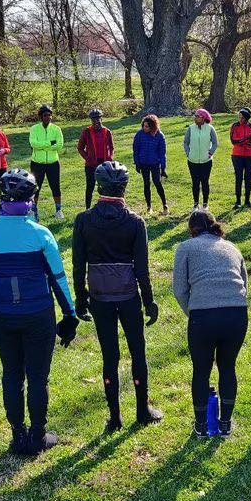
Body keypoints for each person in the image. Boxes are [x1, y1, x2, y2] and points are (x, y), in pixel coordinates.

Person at [0, 169, 78, 456]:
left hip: (1, 314)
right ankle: (38, 435)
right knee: (38, 377)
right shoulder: (41, 234)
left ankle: (18, 435)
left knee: (11, 375)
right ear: (30, 200)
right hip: (37, 313)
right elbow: (58, 279)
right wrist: (70, 315)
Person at [72, 161, 162, 431]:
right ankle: (142, 410)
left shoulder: (84, 220)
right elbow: (142, 269)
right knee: (137, 352)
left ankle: (115, 417)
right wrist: (149, 301)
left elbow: (78, 265)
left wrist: (80, 299)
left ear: (99, 187)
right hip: (128, 296)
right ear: (124, 188)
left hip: (100, 297)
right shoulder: (135, 222)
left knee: (109, 356)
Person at [172, 210, 248, 436]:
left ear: (191, 230)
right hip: (236, 314)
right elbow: (244, 284)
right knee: (228, 367)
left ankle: (201, 425)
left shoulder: (185, 248)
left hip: (203, 317)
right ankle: (225, 424)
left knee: (201, 371)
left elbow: (179, 290)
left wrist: (193, 311)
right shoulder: (232, 247)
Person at [29, 104, 65, 220]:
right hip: (37, 163)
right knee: (35, 187)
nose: (48, 117)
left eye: (50, 115)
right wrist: (50, 143)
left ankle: (58, 210)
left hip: (53, 163)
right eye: (45, 115)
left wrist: (42, 145)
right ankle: (34, 210)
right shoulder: (34, 129)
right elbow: (33, 144)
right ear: (41, 117)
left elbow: (59, 145)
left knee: (55, 187)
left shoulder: (56, 129)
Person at [78, 108, 115, 209]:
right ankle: (87, 208)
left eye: (98, 119)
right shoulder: (86, 132)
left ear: (101, 119)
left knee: (105, 188)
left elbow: (111, 147)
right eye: (93, 120)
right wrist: (87, 158)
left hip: (104, 165)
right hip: (91, 165)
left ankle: (105, 208)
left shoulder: (107, 132)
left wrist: (110, 158)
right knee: (90, 187)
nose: (96, 122)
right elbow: (80, 147)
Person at [184, 108, 218, 211]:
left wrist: (210, 153)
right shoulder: (190, 128)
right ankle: (195, 204)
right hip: (192, 161)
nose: (195, 118)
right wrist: (188, 153)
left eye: (197, 116)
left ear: (203, 118)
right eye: (195, 116)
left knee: (205, 182)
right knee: (195, 183)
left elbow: (215, 143)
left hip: (206, 161)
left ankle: (205, 204)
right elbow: (186, 142)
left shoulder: (210, 128)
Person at [132, 114, 167, 214]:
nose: (145, 128)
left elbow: (162, 153)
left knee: (157, 183)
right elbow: (135, 149)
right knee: (146, 184)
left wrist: (163, 168)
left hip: (155, 163)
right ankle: (149, 207)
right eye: (144, 126)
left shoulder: (159, 136)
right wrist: (137, 163)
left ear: (152, 126)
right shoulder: (139, 134)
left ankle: (164, 205)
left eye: (147, 126)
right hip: (143, 164)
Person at [230, 107, 251, 209]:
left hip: (250, 156)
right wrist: (247, 140)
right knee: (238, 177)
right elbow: (234, 141)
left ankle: (247, 200)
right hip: (237, 155)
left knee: (248, 178)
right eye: (239, 117)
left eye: (242, 117)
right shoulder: (235, 126)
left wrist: (242, 141)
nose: (240, 119)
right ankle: (238, 201)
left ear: (247, 118)